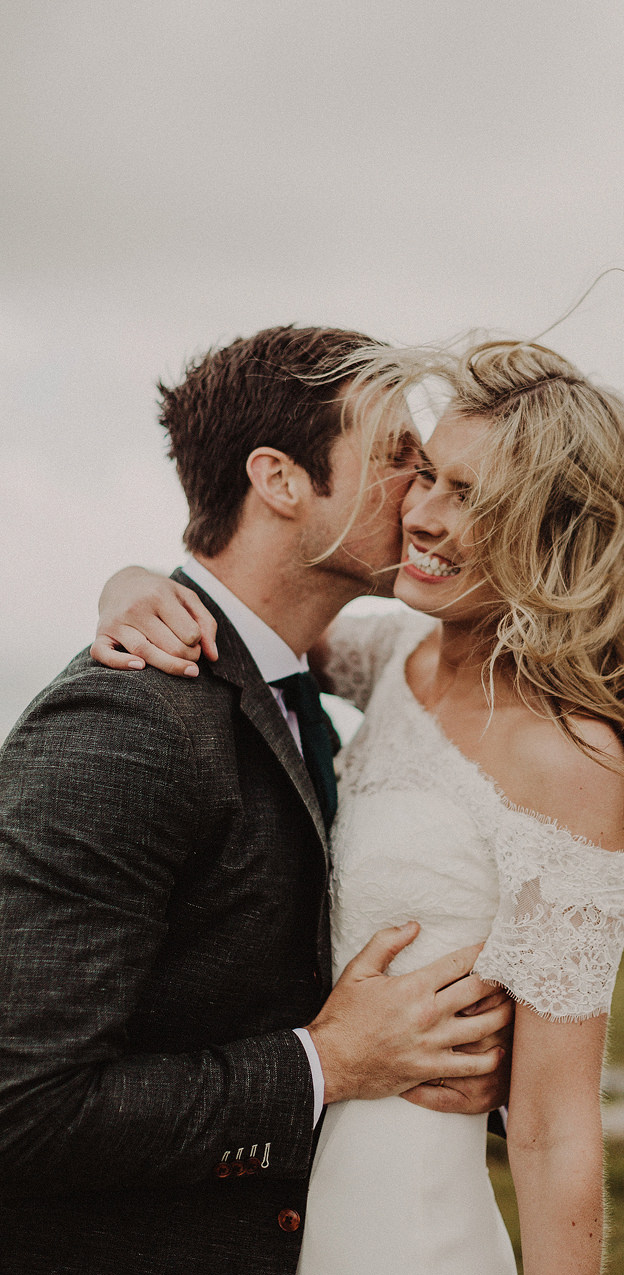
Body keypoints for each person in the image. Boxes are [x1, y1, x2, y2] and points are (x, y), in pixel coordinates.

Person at [91, 336, 624, 1273]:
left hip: (408, 1214)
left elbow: (556, 1124)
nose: (425, 516)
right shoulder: (392, 660)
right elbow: (252, 621)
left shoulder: (567, 760)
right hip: (286, 1198)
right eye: (428, 476)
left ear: (553, 534)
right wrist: (131, 588)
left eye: (475, 498)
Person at [0, 325, 516, 1275]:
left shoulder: (286, 679)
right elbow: (23, 1105)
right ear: (280, 479)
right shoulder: (121, 726)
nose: (426, 483)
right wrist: (325, 1061)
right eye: (398, 455)